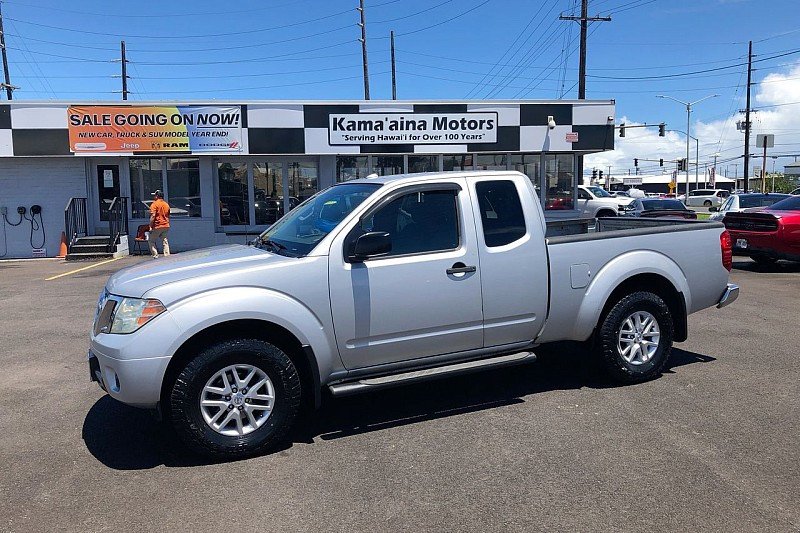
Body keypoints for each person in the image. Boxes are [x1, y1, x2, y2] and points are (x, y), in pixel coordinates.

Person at [148, 190, 171, 258]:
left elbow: (153, 216)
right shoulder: (166, 204)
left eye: (155, 195)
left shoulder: (154, 204)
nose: (154, 197)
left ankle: (155, 255)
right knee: (165, 241)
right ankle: (167, 256)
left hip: (157, 225)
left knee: (151, 241)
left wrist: (150, 226)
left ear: (157, 196)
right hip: (166, 225)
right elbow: (168, 214)